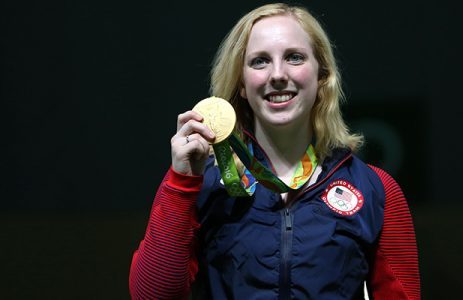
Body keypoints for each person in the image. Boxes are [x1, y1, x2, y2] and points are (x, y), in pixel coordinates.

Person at [129, 3, 420, 299]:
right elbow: (151, 296)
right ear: (241, 83)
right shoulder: (204, 187)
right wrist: (181, 184)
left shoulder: (374, 189)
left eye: (294, 58)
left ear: (322, 75)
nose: (278, 74)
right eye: (260, 61)